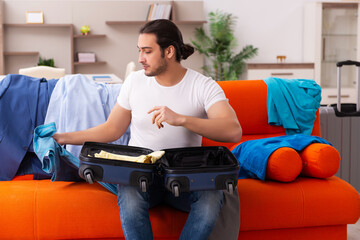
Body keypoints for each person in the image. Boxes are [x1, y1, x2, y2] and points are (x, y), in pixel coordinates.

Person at [53, 19, 242, 240]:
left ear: (169, 51)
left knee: (211, 201)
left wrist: (181, 119)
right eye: (140, 50)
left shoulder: (202, 86)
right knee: (130, 199)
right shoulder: (134, 82)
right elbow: (112, 129)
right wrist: (63, 137)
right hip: (140, 176)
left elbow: (232, 131)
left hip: (184, 179)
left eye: (147, 51)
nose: (140, 58)